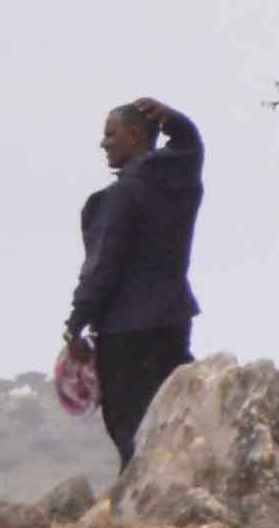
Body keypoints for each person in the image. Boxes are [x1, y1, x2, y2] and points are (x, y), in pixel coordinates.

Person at [55, 99, 205, 466]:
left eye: (111, 134)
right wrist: (173, 119)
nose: (103, 144)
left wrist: (76, 324)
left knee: (131, 427)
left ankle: (140, 503)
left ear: (136, 136)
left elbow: (104, 265)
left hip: (125, 332)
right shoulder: (180, 181)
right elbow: (192, 146)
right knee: (173, 416)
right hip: (172, 321)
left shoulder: (123, 194)